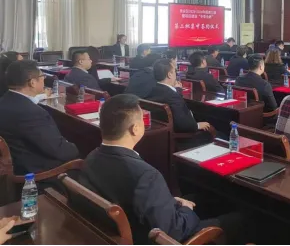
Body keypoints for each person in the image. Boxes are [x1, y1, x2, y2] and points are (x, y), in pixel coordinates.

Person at [79, 94, 241, 245]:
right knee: (240, 220)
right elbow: (174, 232)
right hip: (155, 237)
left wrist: (171, 201)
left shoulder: (91, 158)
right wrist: (185, 209)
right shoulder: (145, 175)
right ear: (135, 128)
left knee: (206, 200)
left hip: (123, 227)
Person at [0, 61, 78, 175]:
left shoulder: (4, 101)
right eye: (42, 76)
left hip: (15, 163)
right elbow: (58, 150)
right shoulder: (31, 113)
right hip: (36, 173)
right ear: (32, 82)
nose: (44, 79)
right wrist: (77, 148)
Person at [147, 59, 212, 140]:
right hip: (185, 137)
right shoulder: (173, 96)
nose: (176, 74)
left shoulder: (153, 90)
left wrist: (177, 91)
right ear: (170, 74)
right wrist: (197, 125)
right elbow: (183, 124)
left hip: (162, 136)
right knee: (217, 133)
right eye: (175, 71)